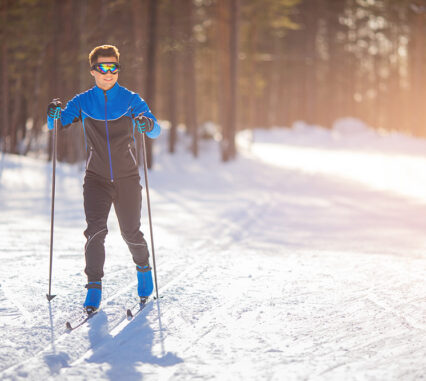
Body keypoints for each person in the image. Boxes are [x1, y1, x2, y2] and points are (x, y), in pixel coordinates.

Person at [46, 45, 160, 314]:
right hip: (96, 178)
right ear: (93, 71)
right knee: (95, 231)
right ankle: (93, 288)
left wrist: (147, 124)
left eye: (113, 67)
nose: (108, 73)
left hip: (127, 178)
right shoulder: (83, 101)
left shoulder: (132, 99)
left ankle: (143, 269)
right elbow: (57, 124)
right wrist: (52, 113)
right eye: (103, 67)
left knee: (130, 232)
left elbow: (155, 128)